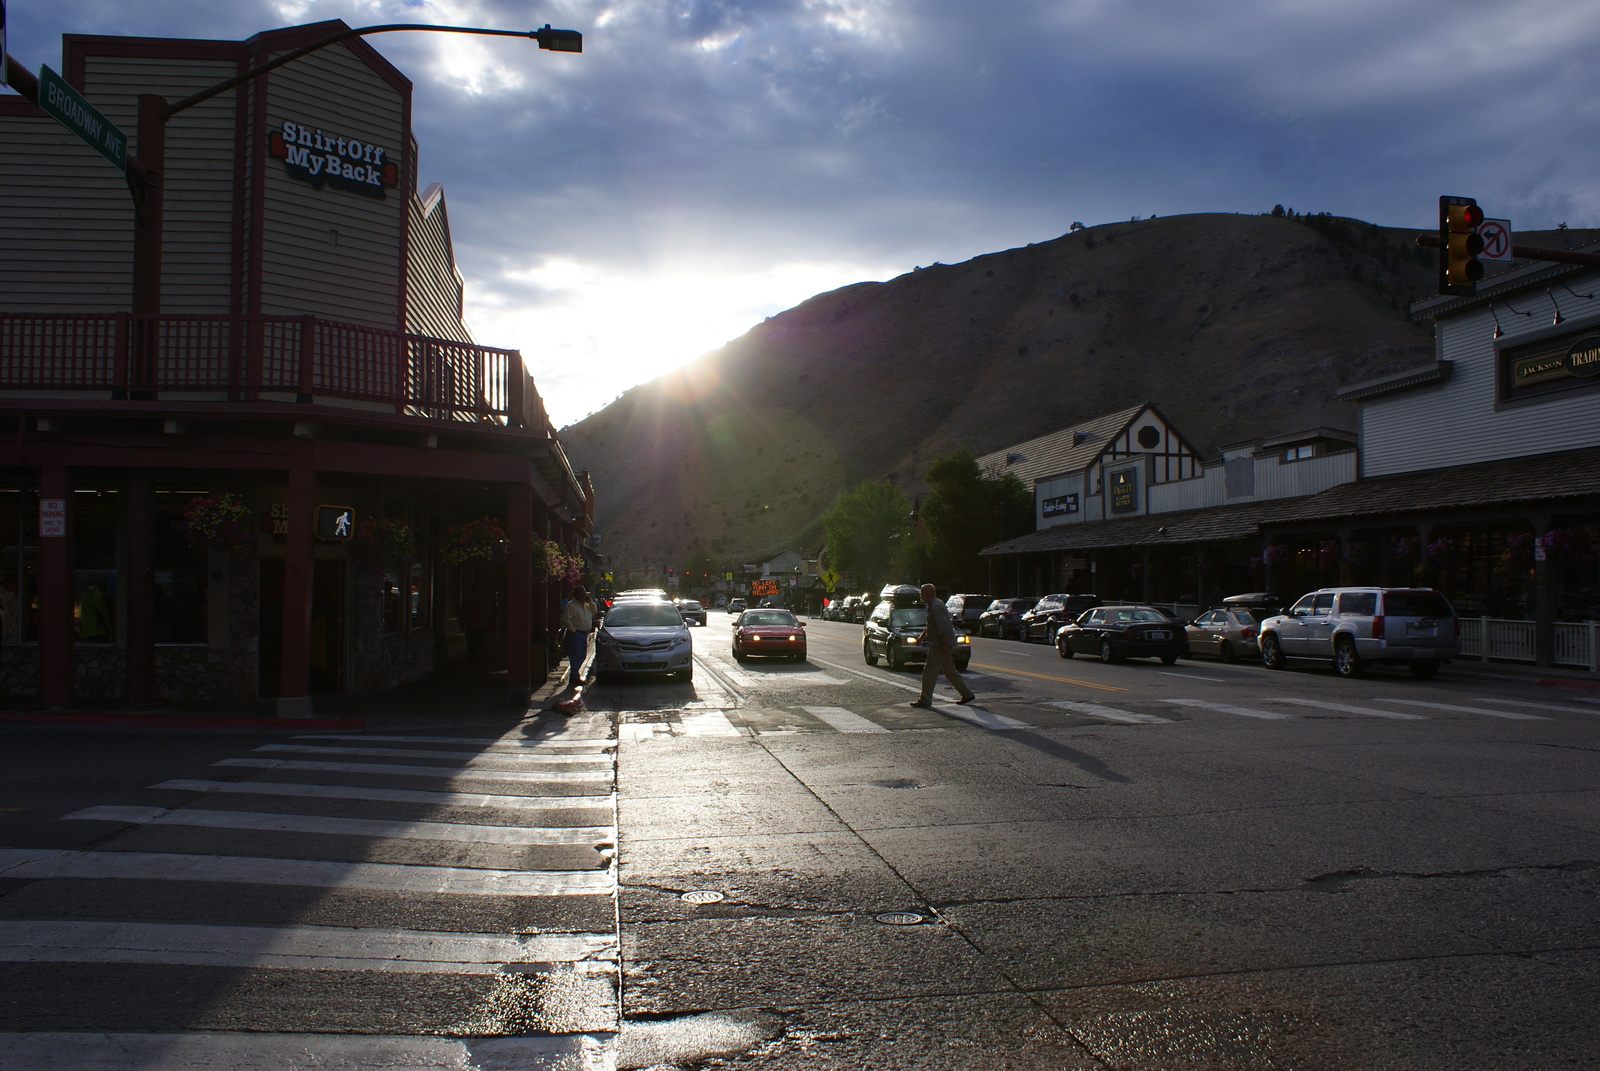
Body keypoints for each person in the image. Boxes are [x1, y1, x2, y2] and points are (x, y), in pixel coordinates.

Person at [911, 583, 976, 708]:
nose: (921, 596)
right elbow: (932, 625)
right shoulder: (934, 605)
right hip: (940, 643)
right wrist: (921, 637)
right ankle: (967, 694)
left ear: (929, 593)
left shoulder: (936, 606)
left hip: (938, 645)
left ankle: (925, 699)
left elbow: (942, 626)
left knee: (929, 673)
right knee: (950, 671)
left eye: (922, 593)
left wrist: (944, 644)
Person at [559, 586, 596, 690]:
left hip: (584, 633)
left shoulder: (587, 606)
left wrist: (591, 601)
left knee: (582, 655)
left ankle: (574, 674)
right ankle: (575, 677)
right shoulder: (570, 606)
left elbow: (594, 611)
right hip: (576, 633)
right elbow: (566, 619)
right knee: (575, 655)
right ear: (577, 595)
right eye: (582, 595)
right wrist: (573, 631)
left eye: (585, 595)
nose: (584, 597)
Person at [459, 585, 490, 667]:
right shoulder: (483, 598)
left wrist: (462, 623)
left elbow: (463, 611)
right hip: (480, 624)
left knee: (470, 643)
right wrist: (486, 620)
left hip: (470, 624)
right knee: (480, 642)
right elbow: (486, 610)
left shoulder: (468, 599)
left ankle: (472, 660)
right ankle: (478, 657)